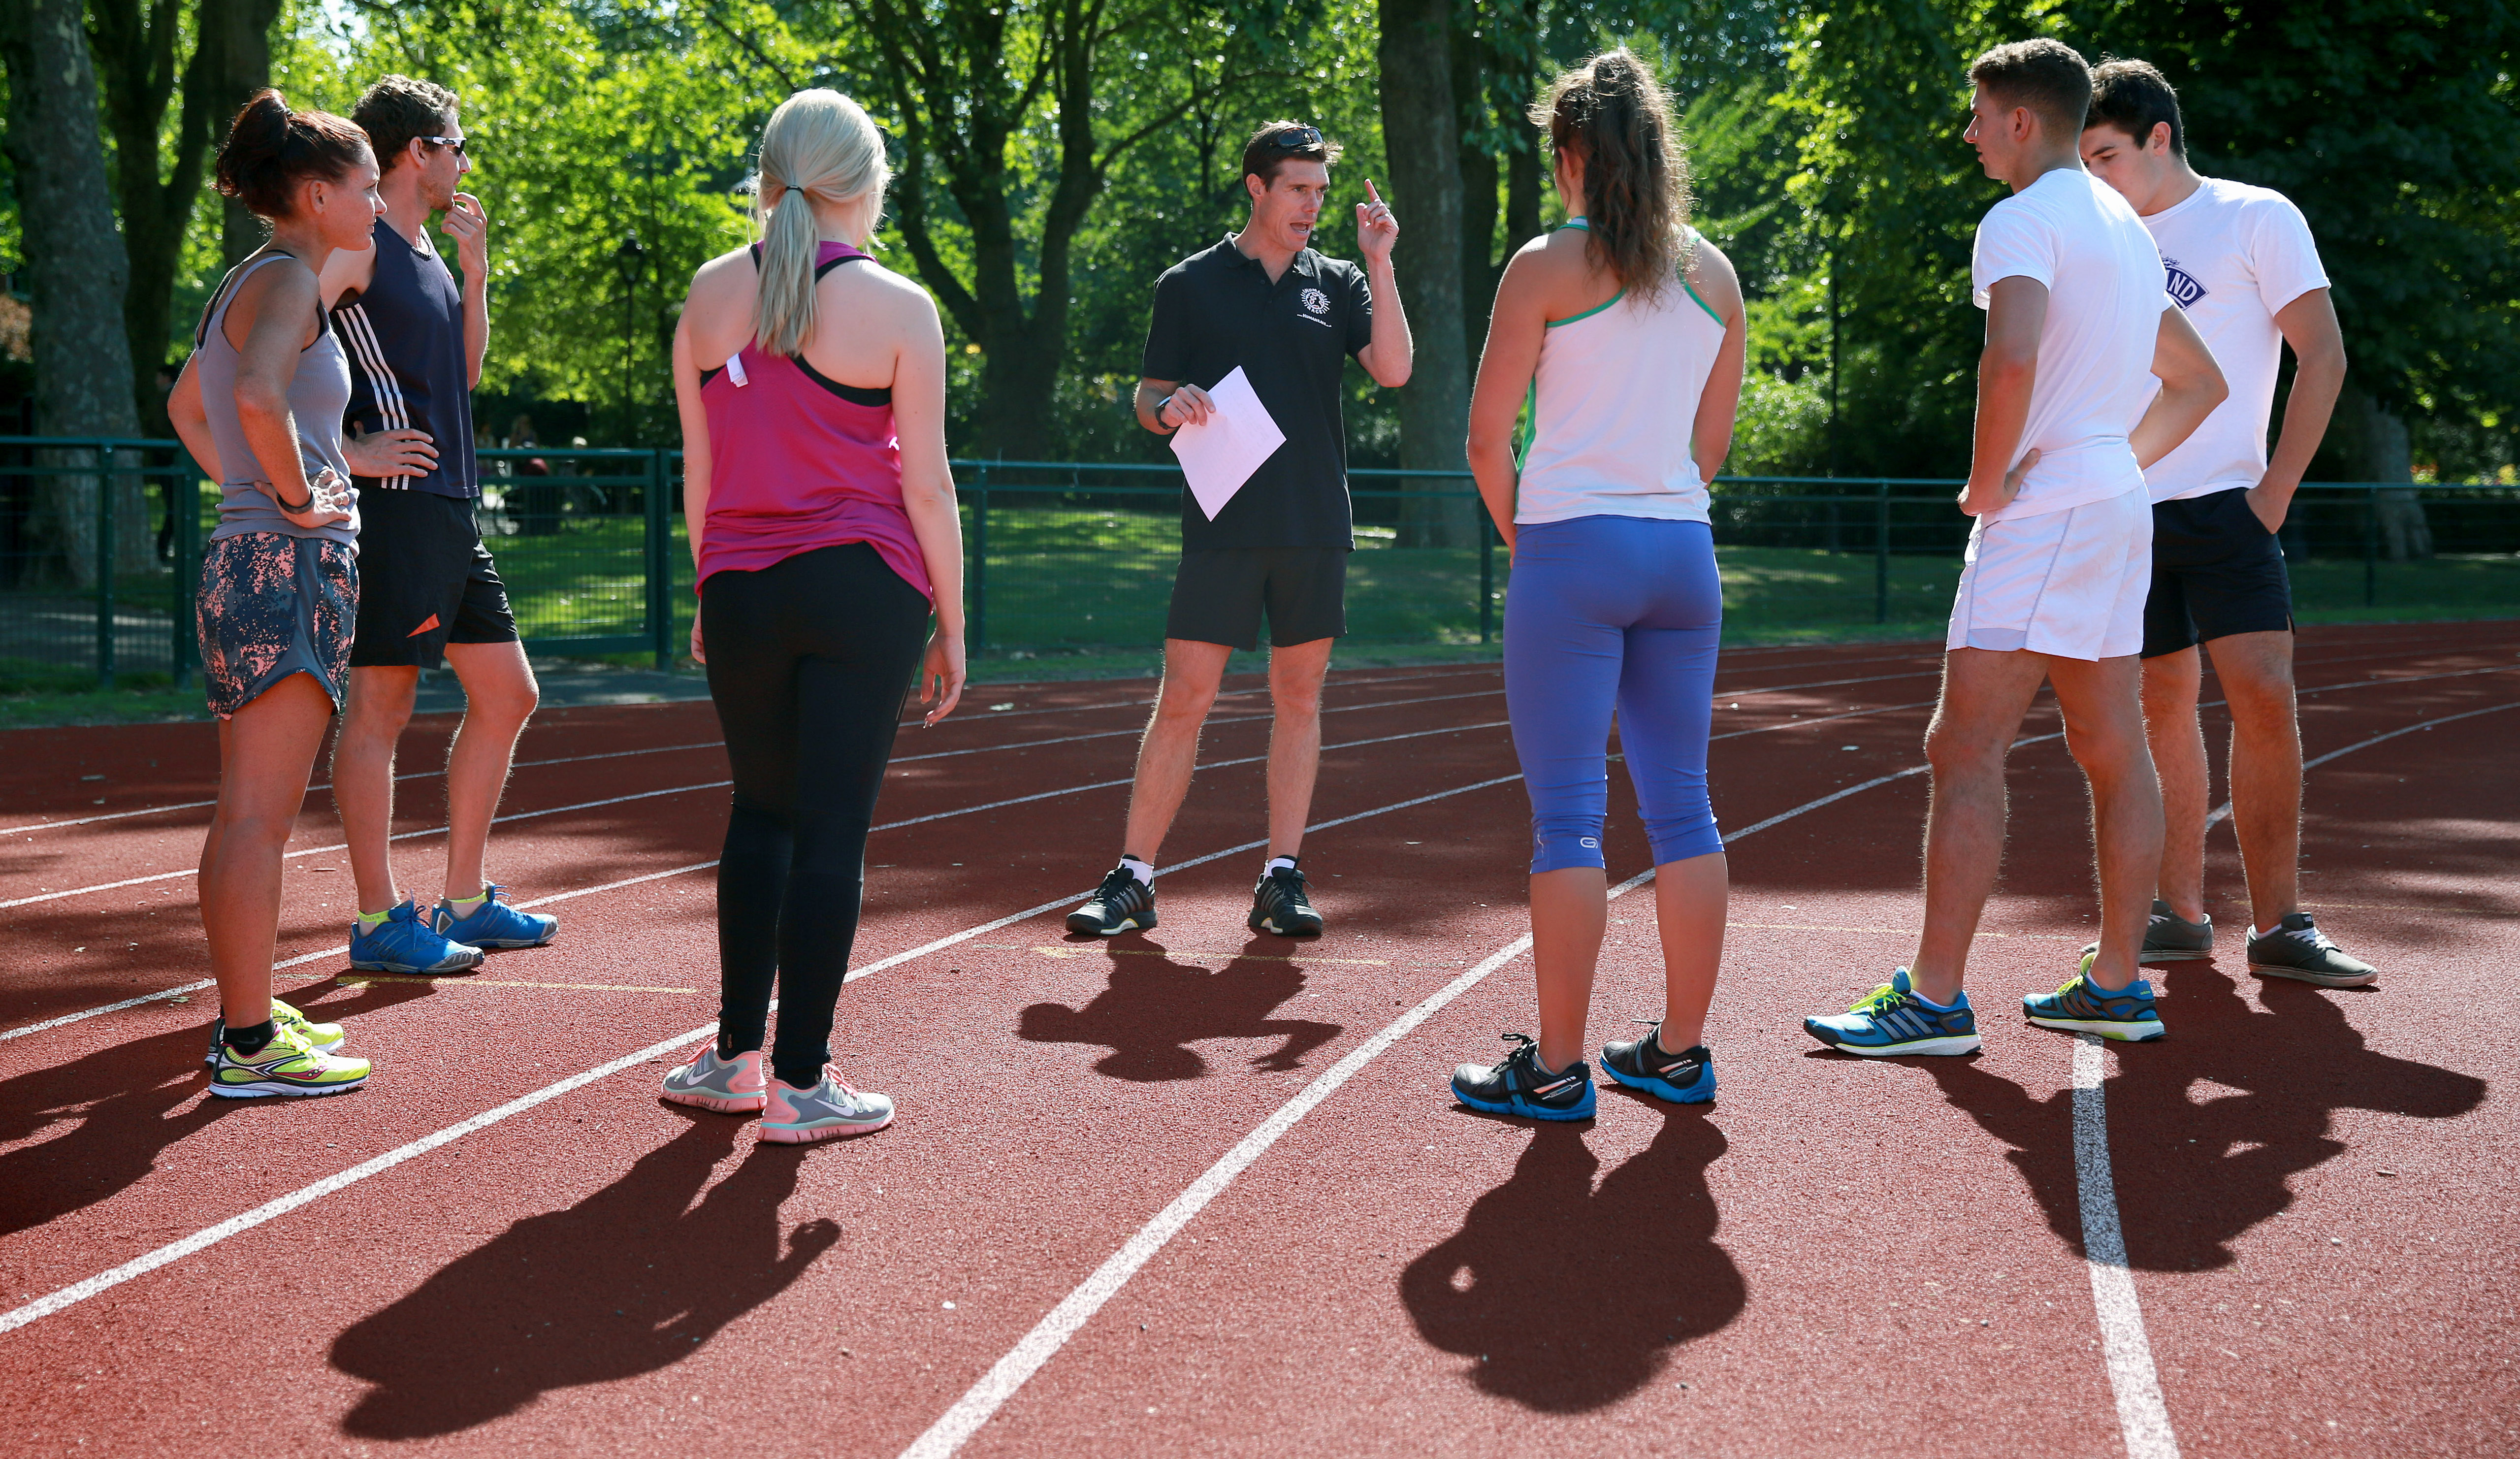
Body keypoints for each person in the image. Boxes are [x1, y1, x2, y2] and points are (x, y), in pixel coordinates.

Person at [1803, 39, 2228, 1056]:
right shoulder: (2125, 224)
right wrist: (2108, 460)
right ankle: (2120, 986)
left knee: (1966, 746)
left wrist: (1992, 482)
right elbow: (2200, 382)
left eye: (1980, 115)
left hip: (2049, 510)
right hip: (2117, 503)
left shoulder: (2022, 219)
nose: (1969, 133)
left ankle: (1936, 1001)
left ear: (2023, 120)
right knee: (2113, 744)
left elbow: (2014, 356)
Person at [660, 89, 966, 1144]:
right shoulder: (899, 307)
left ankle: (735, 1059)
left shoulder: (705, 297)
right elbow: (925, 487)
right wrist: (954, 623)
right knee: (833, 827)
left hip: (740, 585)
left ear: (770, 178)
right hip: (862, 586)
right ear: (866, 186)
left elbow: (699, 477)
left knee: (761, 811)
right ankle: (802, 1085)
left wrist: (711, 585)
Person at [1447, 49, 1745, 1121]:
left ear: (1571, 153)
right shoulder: (1715, 274)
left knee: (1570, 822)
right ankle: (1677, 1054)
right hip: (1681, 552)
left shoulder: (1543, 266)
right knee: (1685, 810)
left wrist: (1530, 540)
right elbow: (1711, 447)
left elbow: (1486, 441)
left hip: (1572, 549)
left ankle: (1559, 1072)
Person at [1064, 120, 1413, 940]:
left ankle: (1281, 876)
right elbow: (1147, 398)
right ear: (1256, 187)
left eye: (1321, 191)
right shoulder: (1189, 283)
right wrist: (1167, 405)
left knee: (1297, 700)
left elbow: (1394, 369)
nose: (1312, 204)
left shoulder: (1339, 280)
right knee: (1184, 696)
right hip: (1220, 520)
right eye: (1298, 188)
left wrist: (1379, 262)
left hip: (1312, 523)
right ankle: (1133, 876)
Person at [2079, 60, 2370, 987]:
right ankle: (2176, 913)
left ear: (2159, 136)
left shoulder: (2255, 217)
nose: (2094, 177)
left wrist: (2276, 491)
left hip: (2229, 509)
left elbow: (2320, 356)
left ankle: (2281, 922)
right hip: (2125, 507)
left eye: (2107, 155)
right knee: (2159, 705)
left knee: (2263, 694)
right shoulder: (2093, 236)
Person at [164, 91, 382, 1096]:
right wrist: (293, 497)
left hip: (246, 560)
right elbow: (253, 396)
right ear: (314, 192)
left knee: (242, 810)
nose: (376, 205)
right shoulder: (292, 276)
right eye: (367, 187)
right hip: (285, 567)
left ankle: (246, 1016)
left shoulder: (242, 280)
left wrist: (248, 493)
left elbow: (186, 405)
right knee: (259, 815)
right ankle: (250, 1045)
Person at [319, 74, 549, 977]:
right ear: (419, 151)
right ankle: (379, 918)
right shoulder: (359, 245)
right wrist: (349, 449)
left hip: (452, 507)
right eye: (457, 144)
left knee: (510, 695)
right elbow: (269, 335)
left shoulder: (422, 253)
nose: (464, 160)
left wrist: (477, 275)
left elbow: (466, 374)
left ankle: (464, 899)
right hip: (398, 512)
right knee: (383, 705)